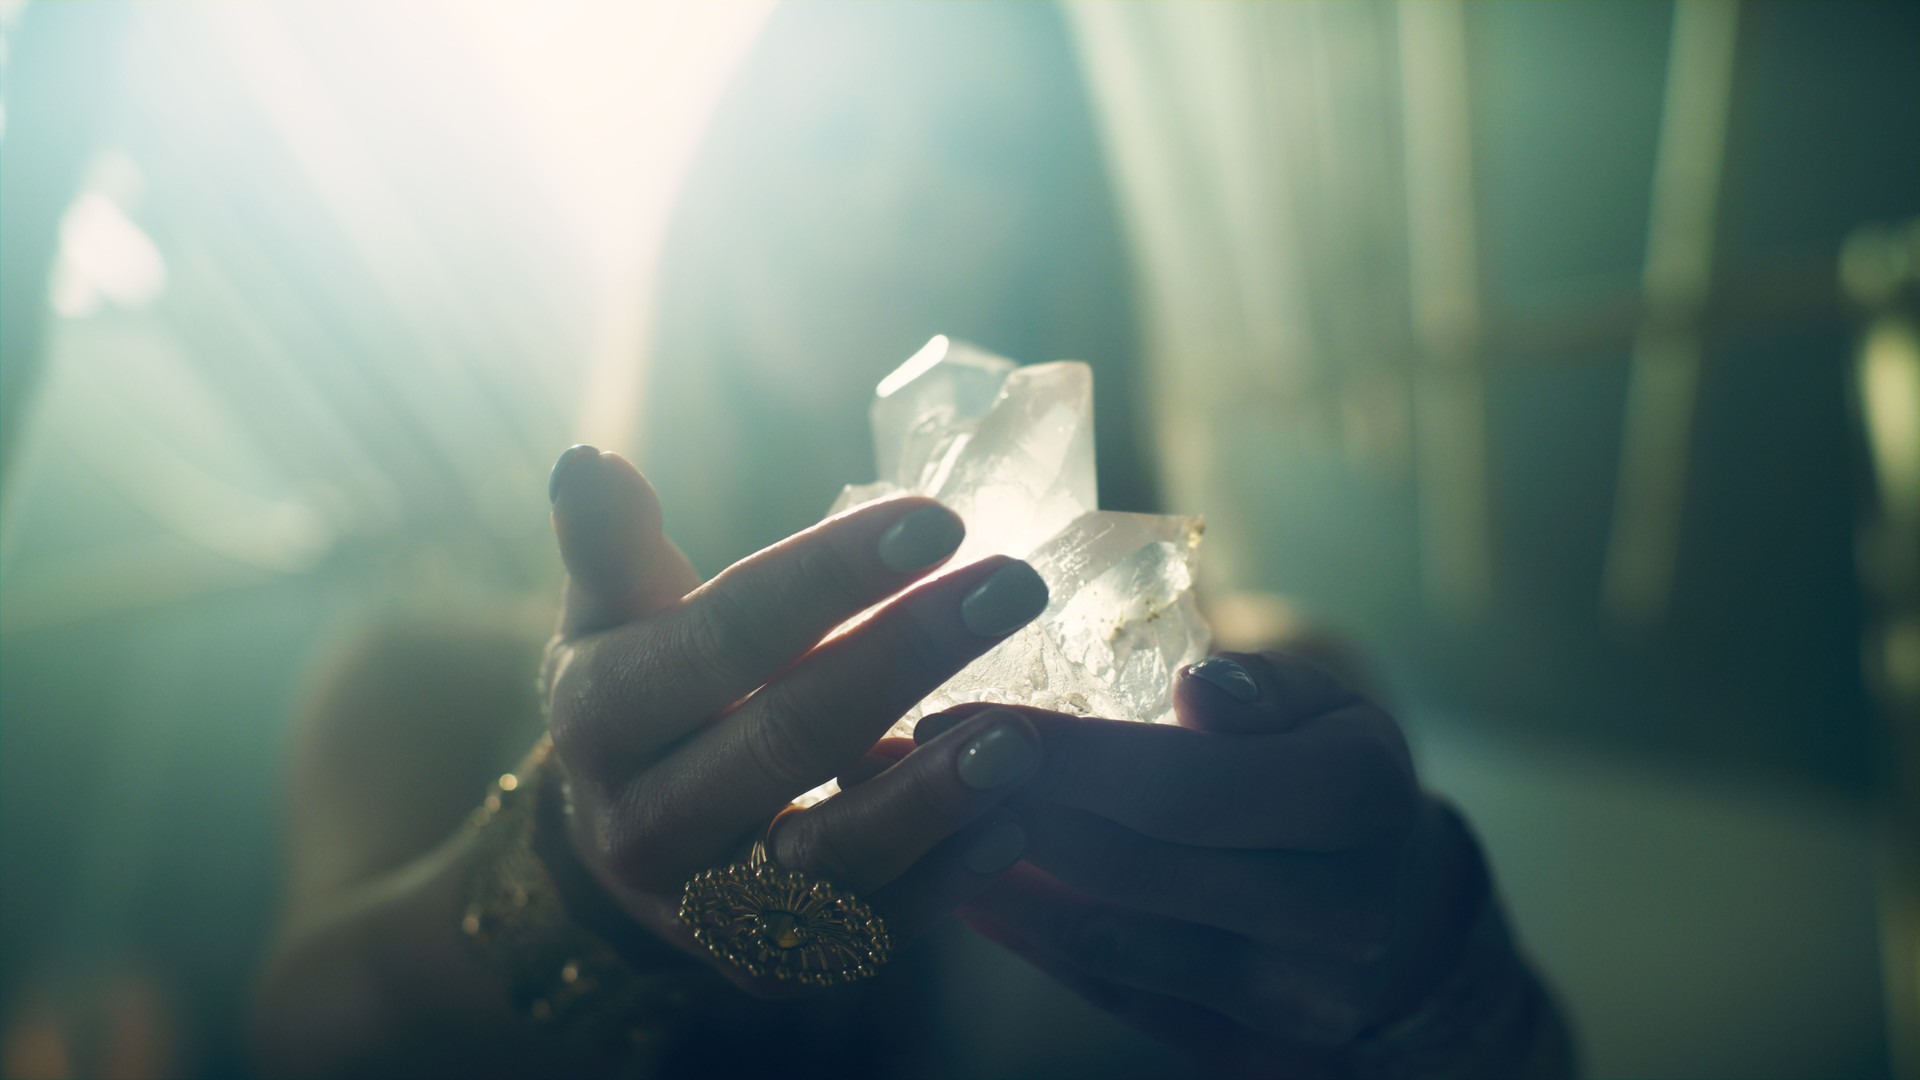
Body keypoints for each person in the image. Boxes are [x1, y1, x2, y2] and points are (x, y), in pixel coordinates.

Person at [251, 5, 1572, 1077]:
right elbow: (294, 1042)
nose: (900, 190)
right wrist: (576, 880)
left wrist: (1434, 966)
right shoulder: (424, 680)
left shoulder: (1266, 697)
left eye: (983, 146)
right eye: (830, 134)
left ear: (1064, 225)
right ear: (722, 202)